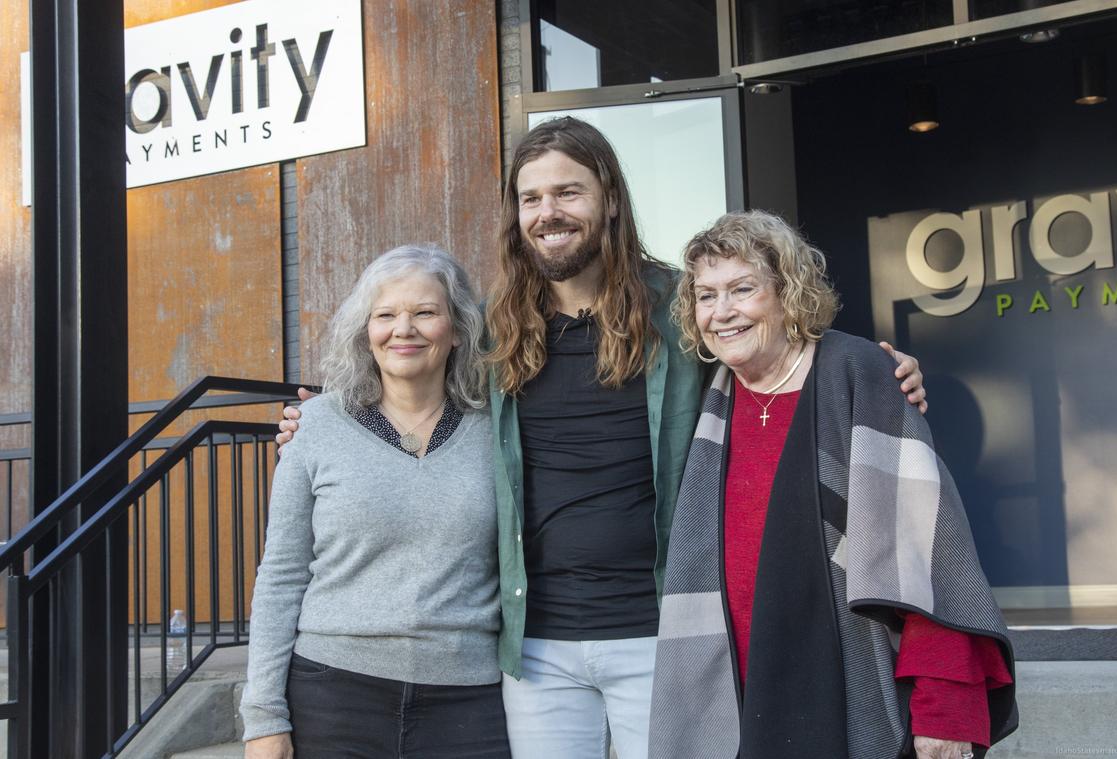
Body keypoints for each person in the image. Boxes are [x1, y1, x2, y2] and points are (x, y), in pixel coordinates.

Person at [277, 117, 928, 759]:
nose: (547, 212)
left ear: (610, 199)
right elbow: (409, 380)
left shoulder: (679, 308)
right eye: (530, 198)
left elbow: (770, 351)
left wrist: (869, 371)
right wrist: (321, 419)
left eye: (568, 192)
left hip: (663, 629)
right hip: (536, 647)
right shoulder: (496, 331)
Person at [649, 210, 1016, 759]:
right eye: (706, 295)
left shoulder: (858, 374)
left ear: (788, 292)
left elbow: (928, 553)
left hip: (850, 687)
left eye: (742, 289)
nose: (722, 312)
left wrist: (945, 706)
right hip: (740, 698)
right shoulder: (714, 398)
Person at [241, 245, 509, 759]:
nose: (402, 329)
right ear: (366, 331)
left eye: (425, 313)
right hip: (332, 695)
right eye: (385, 315)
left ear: (457, 330)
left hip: (469, 703)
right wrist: (263, 717)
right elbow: (281, 575)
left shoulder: (497, 428)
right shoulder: (316, 427)